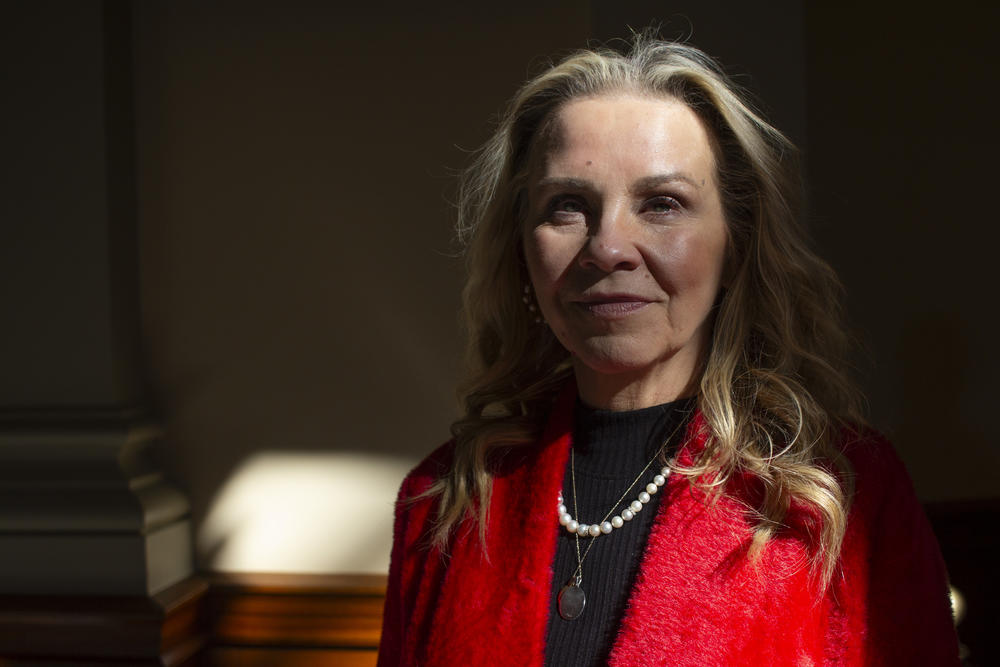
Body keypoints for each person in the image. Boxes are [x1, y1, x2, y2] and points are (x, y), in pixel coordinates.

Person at [377, 36, 959, 666]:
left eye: (662, 203)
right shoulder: (445, 501)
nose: (608, 247)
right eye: (567, 205)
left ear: (736, 246)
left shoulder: (844, 494)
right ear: (522, 249)